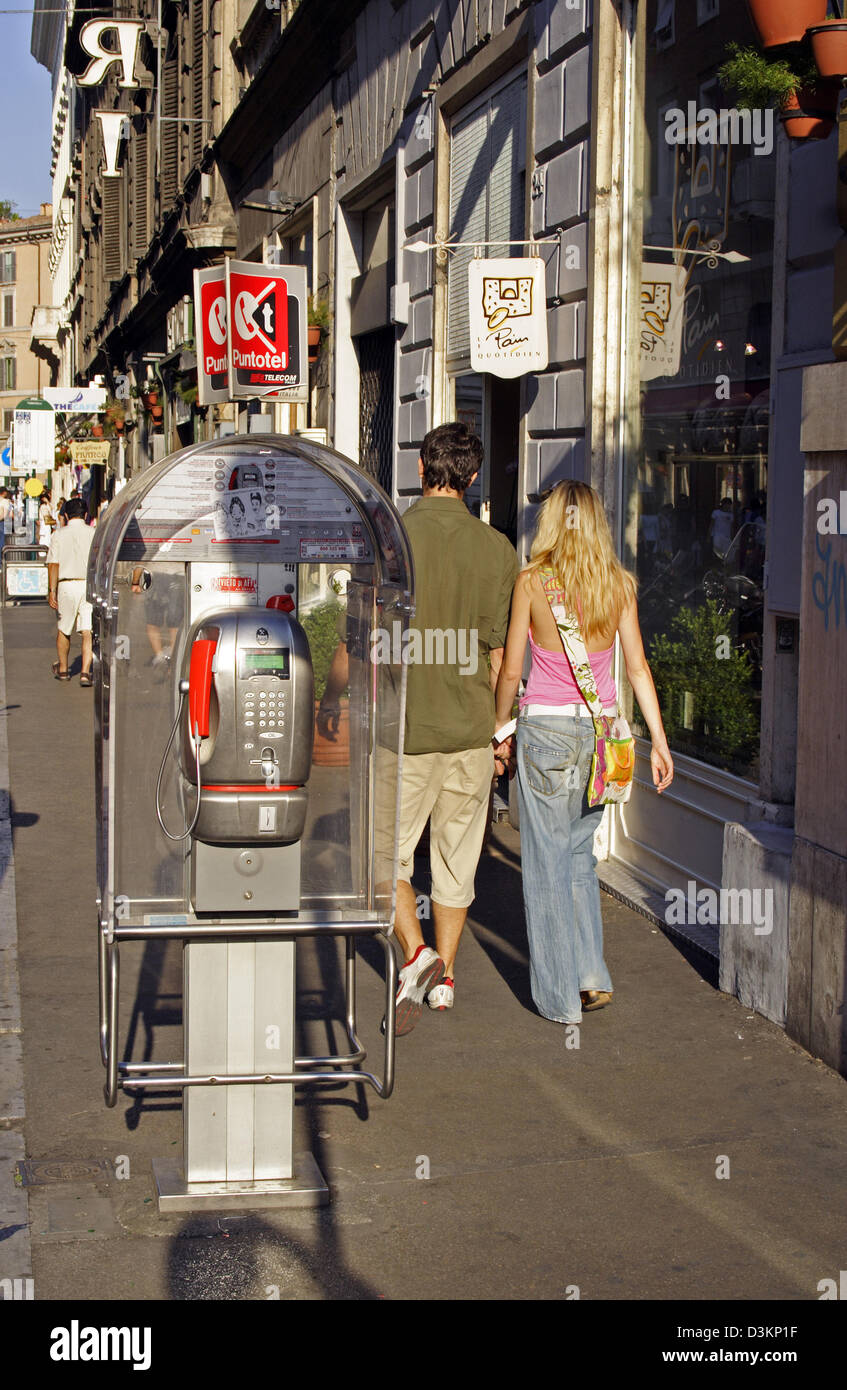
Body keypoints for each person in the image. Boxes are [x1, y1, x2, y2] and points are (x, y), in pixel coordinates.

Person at [493, 480, 673, 1027]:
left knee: (544, 865)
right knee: (577, 856)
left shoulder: (532, 582)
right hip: (601, 735)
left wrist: (500, 726)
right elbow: (637, 667)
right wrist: (660, 742)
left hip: (546, 731)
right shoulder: (618, 585)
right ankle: (591, 974)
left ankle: (558, 999)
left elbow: (510, 669)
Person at [387, 422, 518, 1033]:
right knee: (457, 862)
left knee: (382, 858)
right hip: (469, 730)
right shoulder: (497, 550)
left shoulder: (391, 538)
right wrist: (500, 729)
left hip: (404, 731)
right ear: (471, 477)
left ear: (421, 468)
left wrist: (333, 703)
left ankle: (417, 956)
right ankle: (445, 980)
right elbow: (498, 656)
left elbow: (366, 642)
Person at [46, 496, 95, 685]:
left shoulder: (59, 534)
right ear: (86, 514)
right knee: (87, 630)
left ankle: (64, 669)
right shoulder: (93, 532)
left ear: (66, 515)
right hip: (88, 584)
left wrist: (52, 590)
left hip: (66, 585)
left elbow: (53, 564)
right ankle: (85, 672)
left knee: (64, 629)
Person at [0, 488, 12, 553]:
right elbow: (6, 515)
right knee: (1, 543)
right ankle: (1, 560)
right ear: (4, 493)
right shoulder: (5, 501)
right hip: (2, 523)